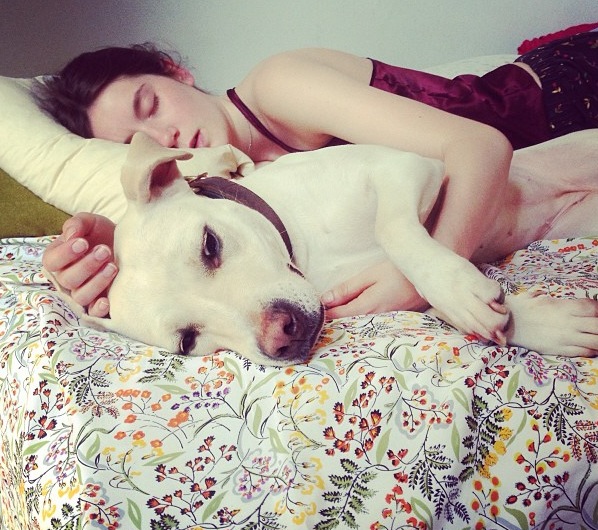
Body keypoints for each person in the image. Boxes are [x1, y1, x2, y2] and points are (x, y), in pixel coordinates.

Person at [38, 30, 598, 322]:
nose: (168, 136)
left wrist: (426, 274)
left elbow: (481, 147)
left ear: (175, 72)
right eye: (138, 141)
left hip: (561, 100)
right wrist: (109, 257)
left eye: (151, 104)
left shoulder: (277, 87)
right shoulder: (244, 193)